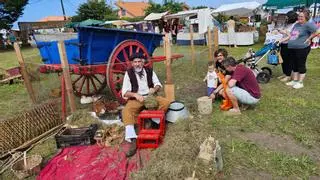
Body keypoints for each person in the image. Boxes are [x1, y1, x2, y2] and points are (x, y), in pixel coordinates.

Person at [121, 53, 171, 157]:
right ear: (132, 63)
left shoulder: (149, 71)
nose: (137, 64)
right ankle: (133, 139)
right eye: (135, 62)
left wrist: (154, 89)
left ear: (143, 62)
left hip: (150, 96)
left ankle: (153, 122)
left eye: (139, 62)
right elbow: (125, 92)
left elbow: (158, 84)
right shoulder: (128, 73)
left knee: (166, 102)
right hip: (137, 98)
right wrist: (135, 94)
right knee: (126, 111)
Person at [286, 10, 320, 89]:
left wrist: (309, 38)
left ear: (306, 17)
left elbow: (318, 31)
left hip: (302, 48)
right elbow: (293, 34)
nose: (299, 18)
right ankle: (294, 80)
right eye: (299, 16)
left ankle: (300, 82)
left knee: (300, 64)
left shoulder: (308, 24)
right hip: (293, 47)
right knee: (294, 64)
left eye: (301, 16)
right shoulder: (297, 24)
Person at [277, 11, 298, 82]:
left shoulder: (295, 25)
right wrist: (280, 31)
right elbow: (285, 31)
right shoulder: (288, 23)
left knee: (288, 61)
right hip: (283, 43)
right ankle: (285, 73)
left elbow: (291, 36)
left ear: (292, 17)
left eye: (287, 17)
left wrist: (284, 34)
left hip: (289, 44)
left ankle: (288, 75)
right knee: (283, 59)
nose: (286, 18)